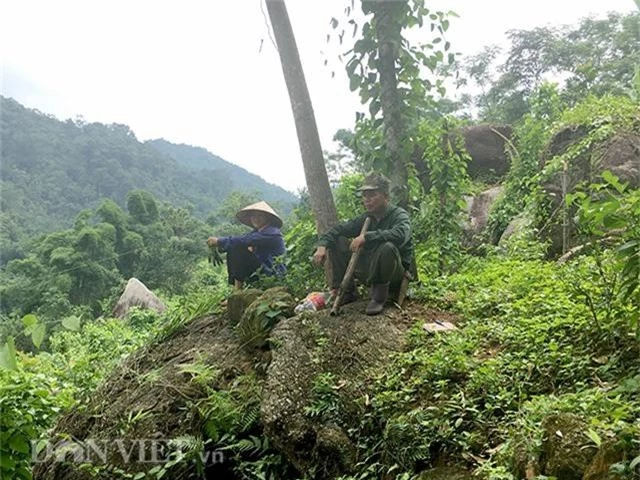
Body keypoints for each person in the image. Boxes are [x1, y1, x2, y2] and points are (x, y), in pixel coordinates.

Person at [312, 172, 415, 315]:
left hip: (393, 272)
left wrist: (367, 236)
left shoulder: (399, 215)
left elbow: (401, 235)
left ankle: (379, 297)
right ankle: (346, 292)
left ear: (386, 196)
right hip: (369, 268)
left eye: (372, 195)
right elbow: (338, 230)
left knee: (387, 248)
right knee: (338, 239)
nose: (367, 200)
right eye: (365, 196)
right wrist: (322, 246)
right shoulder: (366, 218)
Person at [207, 201, 286, 289]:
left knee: (237, 246)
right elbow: (243, 240)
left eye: (260, 215)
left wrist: (219, 241)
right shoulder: (256, 232)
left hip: (272, 273)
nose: (256, 218)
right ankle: (237, 290)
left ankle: (238, 291)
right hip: (261, 270)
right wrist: (219, 247)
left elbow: (243, 241)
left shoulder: (272, 232)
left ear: (267, 217)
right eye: (253, 216)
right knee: (235, 246)